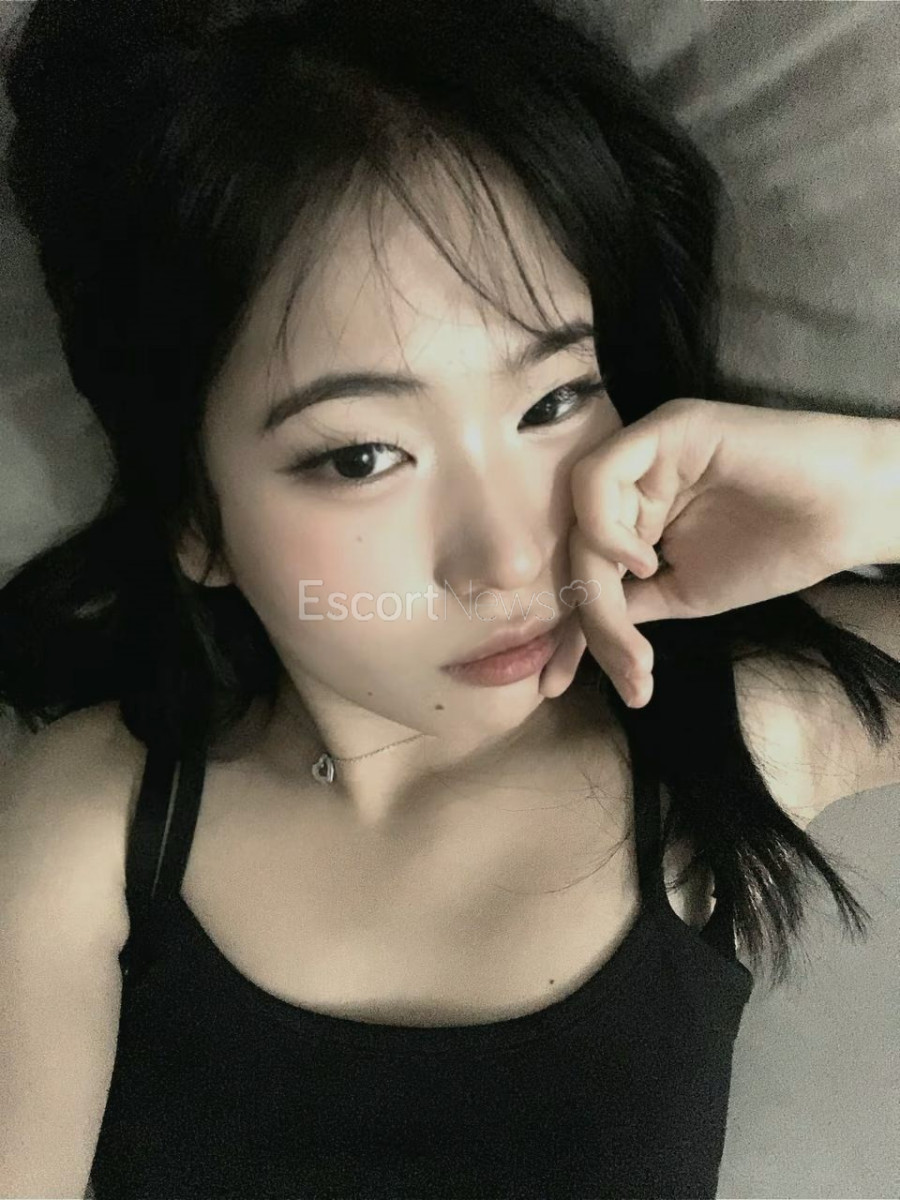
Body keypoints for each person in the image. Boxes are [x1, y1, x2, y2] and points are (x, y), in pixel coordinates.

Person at [1, 1, 898, 1197]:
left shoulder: (726, 732)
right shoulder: (98, 825)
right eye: (361, 456)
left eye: (554, 401)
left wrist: (875, 485)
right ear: (197, 516)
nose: (511, 558)